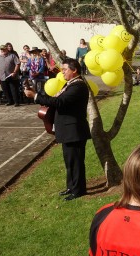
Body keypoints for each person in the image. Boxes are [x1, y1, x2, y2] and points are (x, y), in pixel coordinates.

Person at [24, 58, 91, 201]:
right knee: (69, 161)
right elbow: (55, 99)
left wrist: (35, 96)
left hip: (75, 130)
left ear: (74, 70)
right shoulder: (69, 84)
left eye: (65, 69)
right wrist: (37, 93)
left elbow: (59, 102)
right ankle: (71, 186)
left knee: (76, 162)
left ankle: (78, 190)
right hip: (68, 130)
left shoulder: (78, 87)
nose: (63, 72)